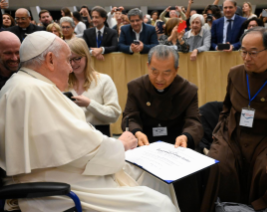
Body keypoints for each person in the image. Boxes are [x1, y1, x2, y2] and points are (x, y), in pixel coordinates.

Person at [0, 31, 179, 212]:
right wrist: (121, 145)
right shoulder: (36, 90)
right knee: (160, 206)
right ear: (50, 60)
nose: (70, 68)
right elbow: (85, 151)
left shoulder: (20, 84)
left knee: (156, 177)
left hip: (59, 174)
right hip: (55, 187)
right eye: (68, 60)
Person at [201, 27, 267, 212]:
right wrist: (219, 135)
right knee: (216, 164)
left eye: (253, 53)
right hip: (233, 137)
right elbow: (226, 109)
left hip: (266, 142)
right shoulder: (235, 74)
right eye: (243, 52)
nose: (246, 58)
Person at [121, 45, 203, 212]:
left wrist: (186, 136)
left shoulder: (188, 90)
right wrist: (136, 132)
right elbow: (130, 116)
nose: (159, 78)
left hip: (177, 144)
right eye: (154, 71)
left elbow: (194, 121)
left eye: (167, 72)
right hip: (145, 142)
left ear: (176, 70)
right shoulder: (136, 87)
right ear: (147, 66)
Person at [66, 38, 121, 136]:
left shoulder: (104, 80)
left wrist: (89, 104)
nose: (73, 64)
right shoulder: (64, 84)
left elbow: (114, 114)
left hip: (99, 135)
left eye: (77, 58)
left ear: (87, 56)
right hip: (72, 137)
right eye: (69, 60)